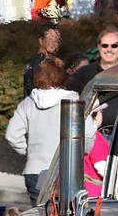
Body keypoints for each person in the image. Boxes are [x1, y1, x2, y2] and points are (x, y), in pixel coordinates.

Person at [6, 57, 82, 206]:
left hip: (35, 170)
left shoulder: (28, 103)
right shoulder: (72, 100)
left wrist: (27, 151)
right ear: (63, 75)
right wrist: (83, 152)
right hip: (66, 169)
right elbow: (87, 133)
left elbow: (12, 135)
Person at [66, 26, 118, 93]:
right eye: (105, 45)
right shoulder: (82, 74)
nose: (109, 49)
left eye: (114, 46)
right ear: (99, 47)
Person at [23, 22, 61, 98]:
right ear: (41, 40)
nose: (54, 43)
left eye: (56, 40)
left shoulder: (51, 61)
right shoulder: (40, 63)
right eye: (50, 38)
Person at [84, 103, 111, 198]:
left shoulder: (81, 135)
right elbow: (102, 168)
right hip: (94, 192)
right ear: (95, 115)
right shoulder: (96, 137)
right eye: (101, 112)